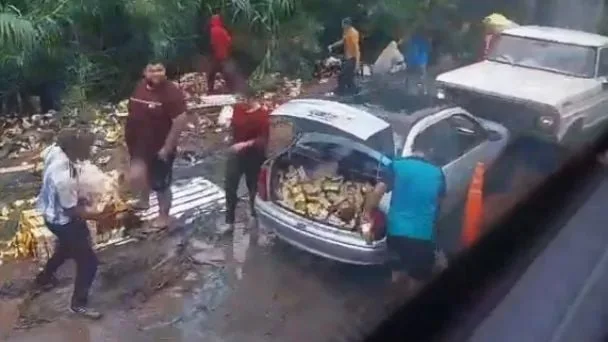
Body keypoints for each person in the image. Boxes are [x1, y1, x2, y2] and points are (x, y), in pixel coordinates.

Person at [34, 128, 108, 319]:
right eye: (86, 147)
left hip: (49, 214)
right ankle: (78, 304)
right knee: (89, 262)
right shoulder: (64, 178)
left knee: (65, 250)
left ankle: (44, 278)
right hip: (65, 221)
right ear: (75, 149)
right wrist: (98, 215)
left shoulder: (55, 151)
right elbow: (72, 210)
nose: (90, 151)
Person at [363, 136, 446, 292]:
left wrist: (367, 213)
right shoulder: (438, 173)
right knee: (417, 280)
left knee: (396, 270)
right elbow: (438, 206)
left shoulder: (397, 165)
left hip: (396, 233)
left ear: (413, 148)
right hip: (423, 237)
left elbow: (377, 192)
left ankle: (392, 297)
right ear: (430, 151)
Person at [126, 61, 189, 229]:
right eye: (151, 70)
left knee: (161, 184)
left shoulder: (171, 92)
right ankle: (144, 201)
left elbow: (180, 120)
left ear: (165, 72)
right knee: (141, 175)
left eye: (159, 70)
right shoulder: (140, 86)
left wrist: (167, 148)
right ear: (144, 72)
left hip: (159, 148)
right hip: (139, 145)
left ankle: (164, 217)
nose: (155, 74)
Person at [220, 89, 270, 234]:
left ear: (252, 99)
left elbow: (263, 140)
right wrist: (229, 133)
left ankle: (254, 217)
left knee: (253, 187)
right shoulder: (238, 109)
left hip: (254, 156)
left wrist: (244, 144)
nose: (241, 102)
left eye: (243, 99)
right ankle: (229, 222)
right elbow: (234, 126)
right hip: (236, 155)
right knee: (230, 186)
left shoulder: (262, 115)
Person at [328, 17, 360, 95]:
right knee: (349, 77)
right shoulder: (347, 31)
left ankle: (341, 91)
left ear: (347, 25)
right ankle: (352, 91)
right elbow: (343, 41)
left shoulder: (353, 33)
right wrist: (333, 46)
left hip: (352, 58)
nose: (342, 26)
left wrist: (357, 63)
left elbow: (356, 48)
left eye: (343, 24)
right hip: (348, 57)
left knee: (342, 75)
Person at [208, 14, 234, 94]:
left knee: (211, 75)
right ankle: (230, 89)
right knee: (226, 74)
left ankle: (210, 89)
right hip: (223, 56)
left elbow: (209, 43)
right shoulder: (223, 31)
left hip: (214, 57)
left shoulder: (211, 31)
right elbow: (229, 42)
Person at [404, 30, 431, 95]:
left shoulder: (411, 41)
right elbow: (428, 50)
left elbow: (408, 51)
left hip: (411, 62)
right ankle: (424, 90)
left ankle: (411, 91)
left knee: (411, 77)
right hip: (422, 61)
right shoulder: (425, 41)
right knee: (422, 76)